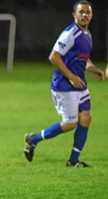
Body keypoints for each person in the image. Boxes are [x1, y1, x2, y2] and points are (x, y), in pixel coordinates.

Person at [24, 0, 105, 167]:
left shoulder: (87, 35)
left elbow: (83, 59)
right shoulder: (70, 33)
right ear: (74, 14)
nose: (85, 15)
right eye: (81, 12)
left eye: (87, 12)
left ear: (91, 15)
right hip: (63, 85)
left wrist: (95, 70)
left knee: (86, 118)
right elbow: (54, 56)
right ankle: (33, 139)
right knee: (70, 124)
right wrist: (71, 77)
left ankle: (73, 161)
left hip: (80, 85)